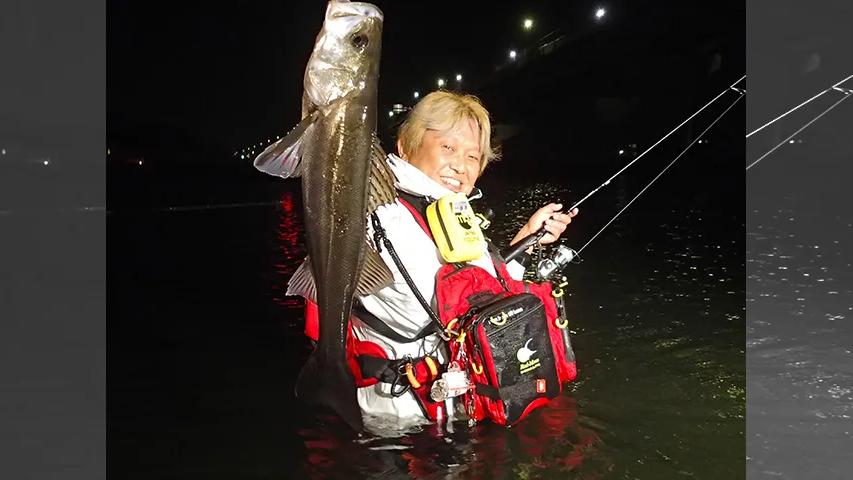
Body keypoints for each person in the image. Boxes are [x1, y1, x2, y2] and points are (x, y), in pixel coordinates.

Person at [352, 90, 579, 427]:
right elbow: (438, 308)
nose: (461, 165)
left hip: (456, 409)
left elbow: (481, 290)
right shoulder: (381, 215)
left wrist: (527, 239)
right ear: (405, 145)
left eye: (473, 156)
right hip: (401, 424)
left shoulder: (446, 207)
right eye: (448, 148)